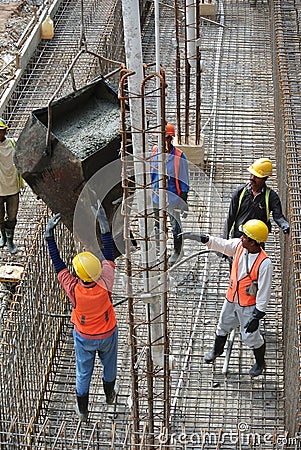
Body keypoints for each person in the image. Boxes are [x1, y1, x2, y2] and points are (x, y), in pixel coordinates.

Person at [45, 202, 118, 421]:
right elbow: (109, 254)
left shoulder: (73, 288)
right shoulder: (106, 280)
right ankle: (109, 396)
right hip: (107, 333)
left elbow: (58, 265)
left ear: (78, 273)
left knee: (83, 372)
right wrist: (104, 223)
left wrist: (49, 237)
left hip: (85, 336)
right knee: (110, 366)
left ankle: (83, 410)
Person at [182, 219, 272, 377]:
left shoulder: (264, 264)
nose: (242, 237)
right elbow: (223, 244)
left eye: (245, 236)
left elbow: (264, 292)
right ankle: (217, 351)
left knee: (251, 336)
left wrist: (257, 315)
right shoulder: (238, 246)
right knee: (222, 325)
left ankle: (260, 362)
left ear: (254, 242)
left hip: (248, 305)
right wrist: (205, 239)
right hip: (231, 298)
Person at [150, 122, 190, 266]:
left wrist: (184, 202)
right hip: (156, 196)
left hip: (172, 199)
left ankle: (178, 251)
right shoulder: (154, 152)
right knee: (157, 226)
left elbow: (184, 180)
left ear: (169, 139)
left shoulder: (179, 156)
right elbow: (151, 174)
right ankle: (160, 252)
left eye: (162, 138)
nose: (158, 142)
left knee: (175, 226)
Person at [224, 157, 290, 240]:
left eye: (256, 176)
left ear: (265, 178)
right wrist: (224, 239)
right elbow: (230, 217)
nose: (252, 178)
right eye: (251, 174)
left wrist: (284, 225)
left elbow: (278, 216)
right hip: (239, 237)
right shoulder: (240, 192)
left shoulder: (271, 197)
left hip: (257, 241)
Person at [0, 117, 23, 254]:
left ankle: (10, 241)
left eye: (1, 131)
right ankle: (3, 237)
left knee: (12, 217)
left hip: (13, 188)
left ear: (5, 131)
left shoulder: (13, 144)